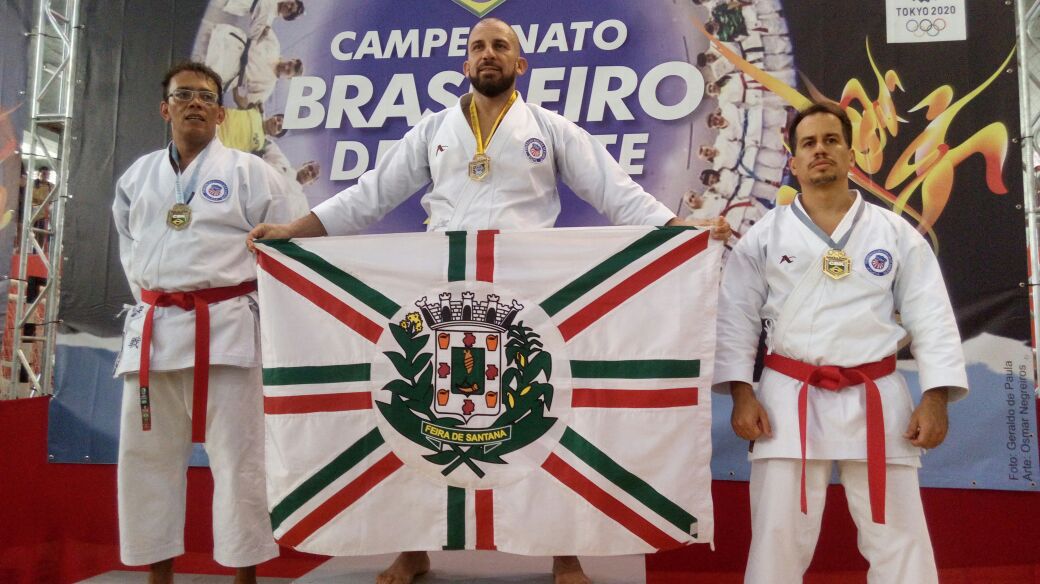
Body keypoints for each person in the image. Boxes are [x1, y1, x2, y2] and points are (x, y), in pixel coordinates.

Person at [248, 17, 731, 584]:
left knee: (545, 418)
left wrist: (678, 230)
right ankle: (412, 546)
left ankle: (564, 551)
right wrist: (296, 231)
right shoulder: (433, 130)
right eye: (478, 46)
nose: (488, 54)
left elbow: (614, 191)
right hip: (443, 296)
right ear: (465, 64)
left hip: (527, 296)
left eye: (500, 46)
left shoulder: (550, 129)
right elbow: (370, 195)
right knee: (424, 422)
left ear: (520, 64)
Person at [712, 102, 967, 583]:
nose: (820, 150)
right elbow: (735, 320)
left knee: (899, 538)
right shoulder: (763, 237)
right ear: (793, 162)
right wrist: (742, 394)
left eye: (831, 140)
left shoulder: (894, 233)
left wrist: (936, 397)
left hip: (876, 394)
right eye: (808, 143)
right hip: (789, 397)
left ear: (852, 153)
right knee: (777, 538)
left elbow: (932, 316)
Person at [112, 61, 294, 584]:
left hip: (228, 330)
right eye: (183, 94)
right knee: (145, 457)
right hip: (155, 332)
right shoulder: (137, 177)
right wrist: (159, 300)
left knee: (240, 459)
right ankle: (158, 574)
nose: (195, 102)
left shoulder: (252, 173)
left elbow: (286, 249)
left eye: (207, 97)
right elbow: (131, 250)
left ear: (220, 114)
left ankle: (244, 575)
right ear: (164, 108)